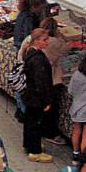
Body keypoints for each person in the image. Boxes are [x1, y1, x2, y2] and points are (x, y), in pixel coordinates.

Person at [23, 28, 56, 163]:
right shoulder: (38, 59)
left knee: (30, 121)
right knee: (35, 123)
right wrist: (47, 100)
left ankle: (30, 144)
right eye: (45, 40)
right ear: (37, 41)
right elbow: (41, 82)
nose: (47, 42)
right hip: (36, 98)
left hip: (30, 95)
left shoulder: (30, 53)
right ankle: (35, 151)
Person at [37, 17, 70, 145]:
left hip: (42, 78)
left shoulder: (35, 39)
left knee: (44, 106)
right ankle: (49, 132)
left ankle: (41, 128)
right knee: (51, 107)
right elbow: (66, 49)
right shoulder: (55, 42)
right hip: (52, 79)